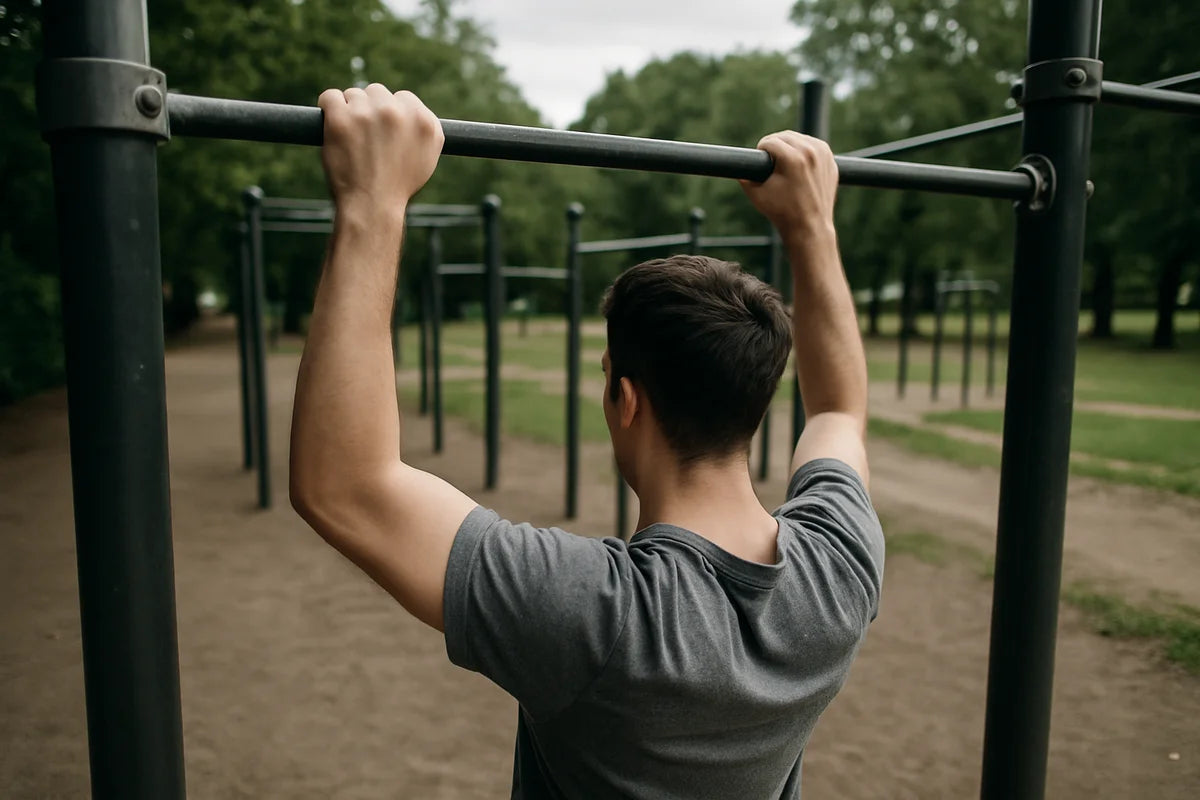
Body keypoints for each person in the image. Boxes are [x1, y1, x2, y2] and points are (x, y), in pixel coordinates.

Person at [290, 84, 884, 799]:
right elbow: (840, 411)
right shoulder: (839, 568)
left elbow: (344, 485)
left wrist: (372, 205)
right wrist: (812, 227)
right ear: (753, 401)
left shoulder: (599, 619)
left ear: (625, 399)